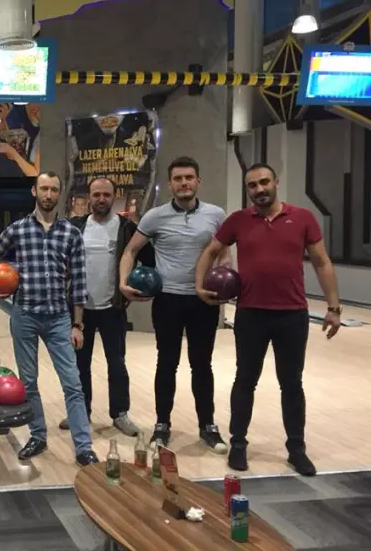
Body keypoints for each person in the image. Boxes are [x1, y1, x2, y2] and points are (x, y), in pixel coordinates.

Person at [195, 163, 340, 476]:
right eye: (252, 185)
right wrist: (199, 285)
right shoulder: (238, 220)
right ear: (247, 189)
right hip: (251, 314)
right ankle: (238, 444)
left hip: (292, 315)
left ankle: (296, 449)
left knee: (292, 383)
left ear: (276, 182)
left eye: (264, 182)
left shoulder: (303, 217)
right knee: (245, 380)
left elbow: (321, 261)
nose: (259, 189)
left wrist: (334, 307)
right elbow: (210, 251)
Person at [0, 172, 99, 466]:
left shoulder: (71, 233)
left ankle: (83, 446)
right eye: (44, 188)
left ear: (59, 194)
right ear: (34, 191)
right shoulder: (17, 230)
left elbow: (79, 282)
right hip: (24, 315)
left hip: (59, 317)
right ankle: (37, 436)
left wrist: (77, 324)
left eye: (54, 190)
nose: (48, 194)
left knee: (72, 383)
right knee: (29, 381)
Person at [119, 156, 230, 452]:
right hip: (167, 300)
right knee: (167, 363)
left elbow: (223, 254)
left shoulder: (216, 214)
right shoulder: (155, 216)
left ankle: (208, 426)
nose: (184, 183)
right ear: (170, 184)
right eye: (178, 178)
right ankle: (162, 425)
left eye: (189, 177)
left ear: (198, 181)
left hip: (203, 300)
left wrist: (225, 281)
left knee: (202, 364)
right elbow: (130, 251)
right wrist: (123, 283)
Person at [61, 177, 155, 435]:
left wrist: (137, 288)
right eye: (96, 194)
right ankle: (81, 412)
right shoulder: (76, 227)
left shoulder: (127, 228)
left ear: (115, 196)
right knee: (80, 364)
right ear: (89, 197)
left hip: (113, 309)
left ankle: (120, 414)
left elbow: (148, 260)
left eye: (106, 194)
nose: (101, 199)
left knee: (117, 364)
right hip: (80, 310)